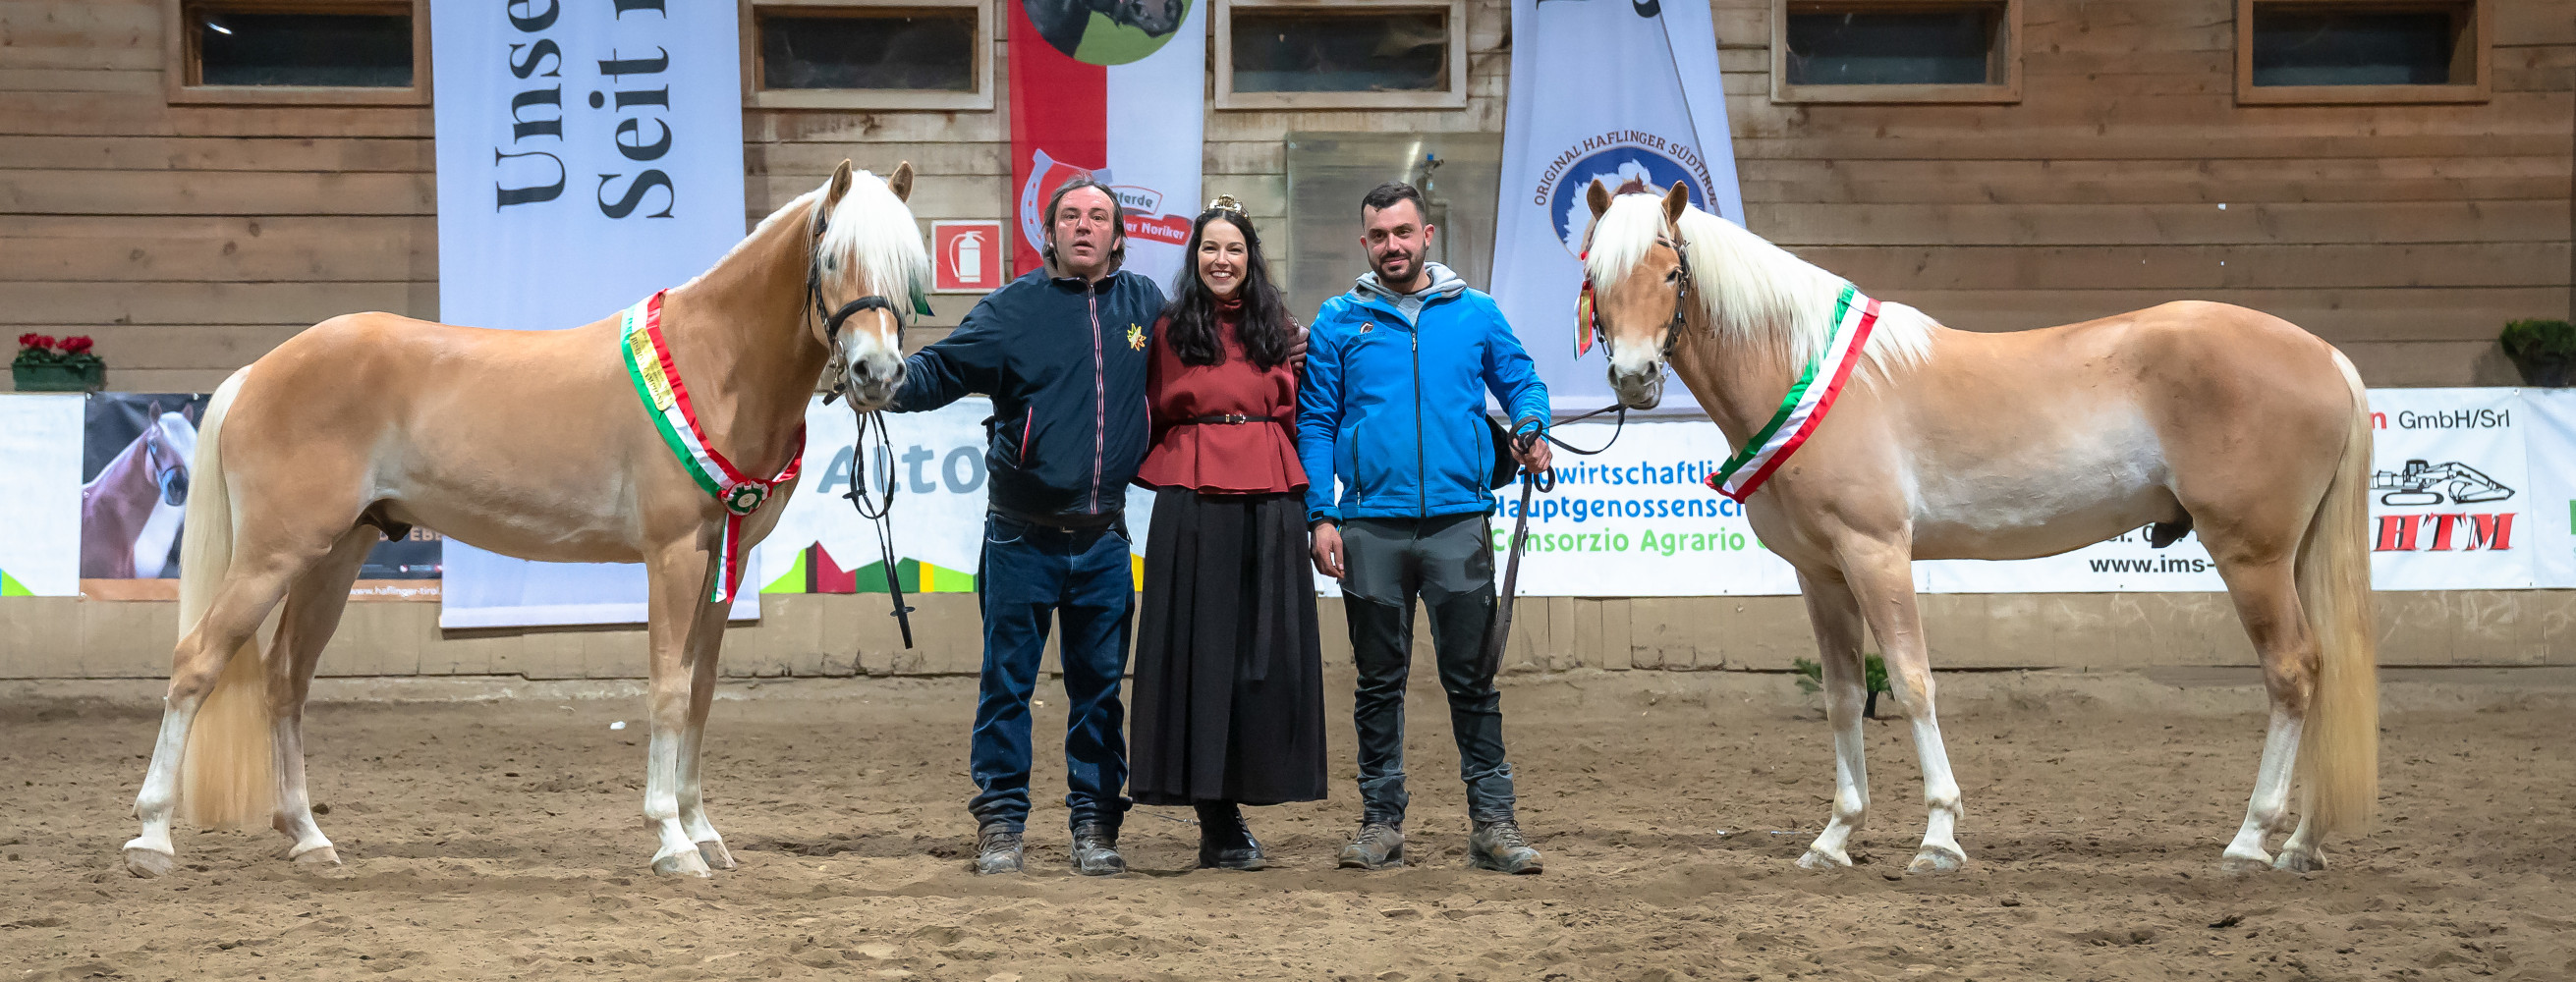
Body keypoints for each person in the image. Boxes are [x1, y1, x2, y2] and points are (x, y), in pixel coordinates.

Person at [889, 177, 1163, 877]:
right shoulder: (1012, 308)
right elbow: (942, 368)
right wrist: (886, 382)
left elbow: (1211, 352)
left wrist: (1286, 344)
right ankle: (1002, 825)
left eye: (1097, 216)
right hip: (1020, 538)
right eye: (1070, 216)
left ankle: (1095, 826)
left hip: (1104, 539)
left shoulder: (1146, 306)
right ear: (1049, 233)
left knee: (1099, 693)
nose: (1083, 226)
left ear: (1118, 236)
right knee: (1006, 687)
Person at [1297, 182, 1553, 874]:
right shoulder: (1338, 321)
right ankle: (1380, 824)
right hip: (1368, 529)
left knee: (1472, 680)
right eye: (1379, 236)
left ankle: (1494, 824)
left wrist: (1531, 425)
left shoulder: (1477, 313)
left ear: (1427, 235)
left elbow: (1523, 382)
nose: (1393, 246)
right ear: (1364, 242)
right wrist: (1321, 513)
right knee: (1378, 682)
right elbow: (1315, 422)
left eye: (1403, 233)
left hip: (1458, 525)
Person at [1128, 197, 1329, 871]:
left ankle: (1248, 790)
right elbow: (1143, 410)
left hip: (1271, 498)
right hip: (1192, 498)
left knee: (1263, 654)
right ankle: (1215, 817)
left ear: (1251, 258)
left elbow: (1308, 415)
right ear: (1195, 258)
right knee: (1198, 654)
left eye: (1234, 249)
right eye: (1210, 248)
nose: (1222, 260)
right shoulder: (1166, 328)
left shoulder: (1282, 329)